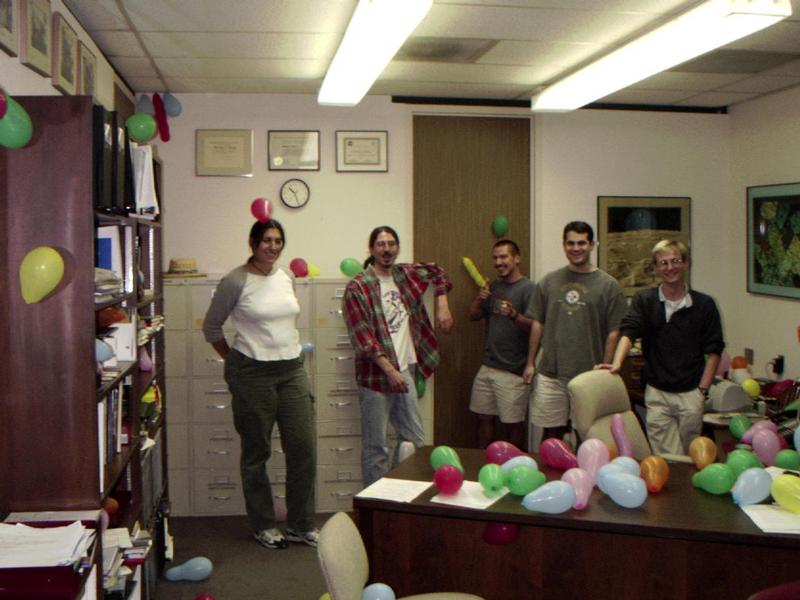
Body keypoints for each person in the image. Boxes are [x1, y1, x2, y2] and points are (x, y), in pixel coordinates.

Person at [202, 219, 317, 550]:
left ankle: (299, 524)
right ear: (253, 243)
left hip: (292, 370)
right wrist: (237, 363)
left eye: (278, 240)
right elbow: (212, 328)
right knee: (257, 453)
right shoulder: (235, 281)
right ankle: (264, 525)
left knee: (303, 449)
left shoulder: (285, 277)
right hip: (253, 374)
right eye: (266, 240)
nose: (273, 246)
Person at [342, 226, 454, 487]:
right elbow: (363, 338)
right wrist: (389, 370)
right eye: (381, 244)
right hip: (376, 376)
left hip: (404, 369)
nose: (387, 249)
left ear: (397, 248)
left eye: (392, 243)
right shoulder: (358, 286)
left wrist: (442, 304)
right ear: (371, 249)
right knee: (376, 446)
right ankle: (375, 506)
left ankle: (396, 493)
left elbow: (438, 271)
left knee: (414, 440)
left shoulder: (404, 276)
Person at [598, 240, 724, 455]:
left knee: (691, 455)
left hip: (690, 392)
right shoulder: (645, 300)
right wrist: (616, 363)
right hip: (657, 392)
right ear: (655, 268)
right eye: (663, 263)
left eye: (675, 261)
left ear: (686, 264)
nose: (669, 268)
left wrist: (701, 390)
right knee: (667, 457)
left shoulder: (704, 305)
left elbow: (714, 351)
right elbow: (629, 332)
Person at [522, 221, 627, 443]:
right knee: (551, 436)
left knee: (588, 436)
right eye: (571, 243)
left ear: (591, 245)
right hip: (551, 372)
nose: (576, 248)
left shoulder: (609, 286)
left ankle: (586, 478)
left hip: (589, 374)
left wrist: (603, 370)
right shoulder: (548, 282)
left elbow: (614, 332)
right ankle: (550, 478)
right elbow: (537, 323)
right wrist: (531, 362)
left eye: (581, 243)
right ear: (564, 245)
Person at [468, 240, 534, 449]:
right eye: (495, 258)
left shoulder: (529, 288)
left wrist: (514, 315)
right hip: (488, 366)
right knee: (482, 419)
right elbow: (473, 316)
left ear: (517, 258)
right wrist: (480, 298)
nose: (498, 262)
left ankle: (514, 468)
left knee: (512, 424)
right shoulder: (493, 286)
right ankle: (481, 465)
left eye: (503, 257)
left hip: (513, 370)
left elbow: (536, 327)